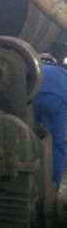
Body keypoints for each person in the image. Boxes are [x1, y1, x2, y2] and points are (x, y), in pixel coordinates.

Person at [34, 53, 67, 188]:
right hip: (56, 102)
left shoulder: (32, 70)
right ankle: (54, 186)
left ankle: (33, 183)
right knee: (57, 145)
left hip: (33, 100)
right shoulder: (62, 72)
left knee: (31, 140)